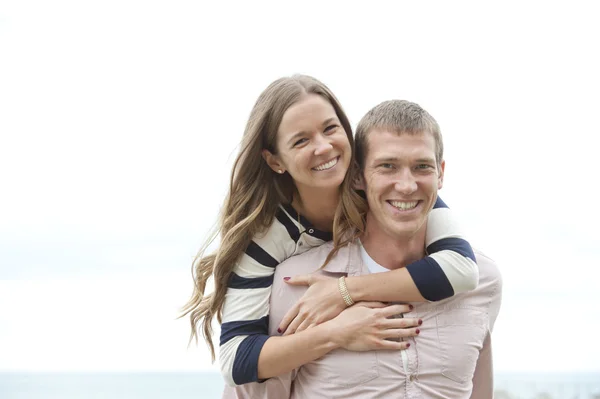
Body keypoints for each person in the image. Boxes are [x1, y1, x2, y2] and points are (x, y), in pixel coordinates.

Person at [181, 75, 478, 386]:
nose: (323, 147)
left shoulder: (384, 184)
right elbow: (236, 359)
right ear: (275, 160)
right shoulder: (267, 237)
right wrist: (337, 332)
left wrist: (343, 292)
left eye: (330, 128)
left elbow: (461, 269)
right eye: (301, 140)